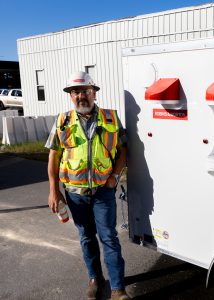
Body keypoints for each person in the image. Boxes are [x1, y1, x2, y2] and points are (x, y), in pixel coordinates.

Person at [46, 71, 130, 300]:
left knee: (109, 238)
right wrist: (54, 190)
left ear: (94, 93)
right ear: (70, 96)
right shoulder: (62, 121)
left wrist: (114, 176)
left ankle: (117, 289)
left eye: (85, 91)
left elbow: (123, 151)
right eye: (75, 92)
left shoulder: (111, 118)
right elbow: (53, 157)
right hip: (75, 194)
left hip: (103, 191)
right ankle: (95, 278)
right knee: (86, 237)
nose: (81, 96)